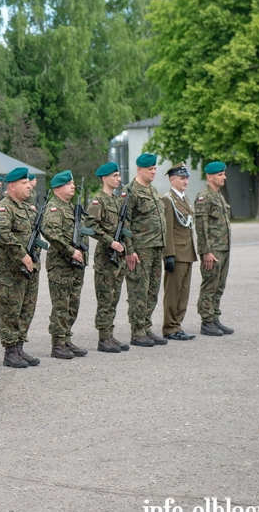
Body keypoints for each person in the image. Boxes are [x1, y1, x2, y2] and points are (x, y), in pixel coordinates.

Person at [0, 167, 43, 367]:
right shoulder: (4, 208)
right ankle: (10, 351)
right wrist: (22, 254)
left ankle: (19, 347)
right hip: (10, 271)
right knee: (11, 311)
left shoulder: (27, 208)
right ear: (12, 186)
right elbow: (3, 233)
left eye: (28, 182)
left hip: (29, 269)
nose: (28, 185)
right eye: (23, 183)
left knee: (26, 310)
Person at [42, 170, 90, 359]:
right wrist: (71, 251)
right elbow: (51, 233)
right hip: (61, 265)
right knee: (61, 305)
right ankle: (58, 343)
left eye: (73, 183)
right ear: (57, 188)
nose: (73, 186)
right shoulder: (54, 208)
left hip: (76, 264)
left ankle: (66, 338)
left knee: (72, 304)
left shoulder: (70, 207)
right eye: (69, 184)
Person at [85, 162, 130, 353]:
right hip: (106, 257)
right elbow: (90, 225)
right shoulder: (98, 201)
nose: (118, 179)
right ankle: (103, 338)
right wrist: (110, 241)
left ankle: (110, 335)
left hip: (118, 257)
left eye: (119, 175)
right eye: (115, 176)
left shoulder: (117, 201)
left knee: (114, 298)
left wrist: (128, 250)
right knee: (105, 298)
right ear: (105, 178)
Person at [125, 153, 168, 348]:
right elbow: (125, 223)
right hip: (140, 249)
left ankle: (146, 327)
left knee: (152, 290)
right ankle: (137, 331)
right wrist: (129, 250)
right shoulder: (131, 191)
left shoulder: (153, 190)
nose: (153, 171)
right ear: (139, 169)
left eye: (154, 168)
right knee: (138, 291)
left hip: (156, 247)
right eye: (150, 169)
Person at [194, 161, 233, 336]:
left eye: (223, 174)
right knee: (210, 284)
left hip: (223, 248)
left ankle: (215, 317)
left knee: (219, 285)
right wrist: (206, 251)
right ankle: (207, 321)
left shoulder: (219, 196)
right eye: (220, 174)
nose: (224, 177)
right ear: (210, 177)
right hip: (212, 250)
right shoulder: (204, 197)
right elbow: (201, 227)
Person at [162, 163, 197, 341]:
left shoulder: (184, 198)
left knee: (183, 292)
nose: (185, 181)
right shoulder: (168, 200)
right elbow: (167, 228)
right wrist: (169, 254)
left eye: (186, 178)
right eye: (181, 178)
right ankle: (169, 327)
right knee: (173, 292)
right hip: (176, 253)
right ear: (172, 179)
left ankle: (177, 325)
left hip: (187, 252)